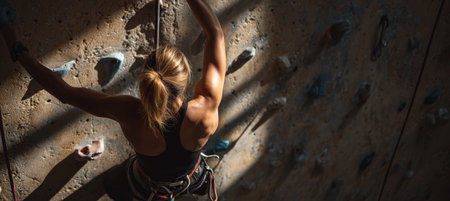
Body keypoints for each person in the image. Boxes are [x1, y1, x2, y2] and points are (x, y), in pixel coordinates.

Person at [1, 0, 225, 200]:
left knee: (114, 183)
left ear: (145, 80)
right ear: (185, 81)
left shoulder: (129, 112)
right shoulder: (206, 108)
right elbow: (216, 33)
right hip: (190, 180)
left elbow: (65, 93)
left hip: (143, 184)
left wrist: (18, 48)